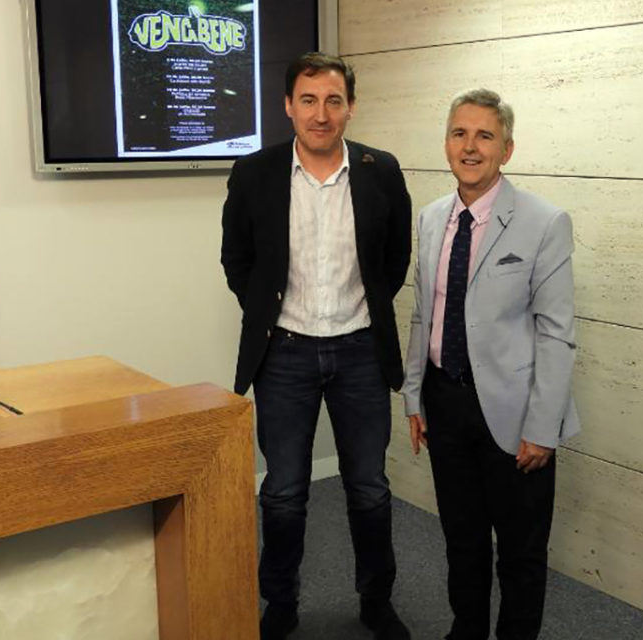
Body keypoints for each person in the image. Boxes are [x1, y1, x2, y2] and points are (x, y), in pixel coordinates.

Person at [221, 52, 412, 640]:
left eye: (333, 101)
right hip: (284, 355)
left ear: (350, 107)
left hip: (360, 352)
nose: (321, 114)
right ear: (288, 106)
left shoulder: (381, 171)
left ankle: (376, 601)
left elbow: (394, 260)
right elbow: (237, 260)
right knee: (283, 491)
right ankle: (280, 604)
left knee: (369, 488)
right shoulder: (254, 172)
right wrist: (269, 312)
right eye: (308, 100)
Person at [402, 89, 580, 640]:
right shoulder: (431, 218)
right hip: (444, 401)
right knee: (463, 540)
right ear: (446, 143)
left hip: (515, 412)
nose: (470, 147)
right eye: (459, 134)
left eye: (485, 135)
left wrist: (543, 428)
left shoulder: (544, 222)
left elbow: (556, 333)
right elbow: (422, 313)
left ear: (507, 149)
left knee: (521, 552)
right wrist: (413, 396)